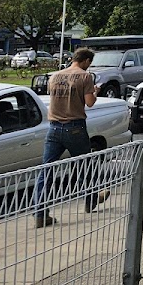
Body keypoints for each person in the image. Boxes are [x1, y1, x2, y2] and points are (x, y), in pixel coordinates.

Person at [32, 48, 108, 227]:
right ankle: (91, 200)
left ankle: (40, 214)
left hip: (54, 128)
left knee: (46, 171)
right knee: (85, 166)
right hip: (75, 127)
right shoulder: (85, 76)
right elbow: (89, 102)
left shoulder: (55, 76)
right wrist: (95, 91)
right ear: (86, 61)